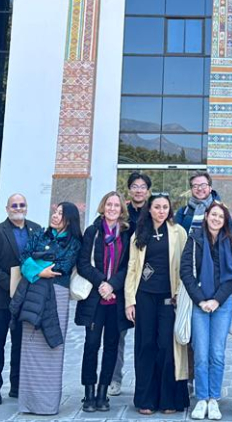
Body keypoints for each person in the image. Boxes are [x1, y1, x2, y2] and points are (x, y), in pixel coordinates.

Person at [14, 201, 83, 416]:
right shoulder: (39, 235)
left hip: (57, 294)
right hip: (34, 291)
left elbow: (61, 265)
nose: (55, 215)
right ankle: (28, 403)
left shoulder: (73, 243)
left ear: (69, 219)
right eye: (55, 211)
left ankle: (47, 404)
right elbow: (24, 256)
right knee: (30, 346)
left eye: (61, 213)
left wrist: (37, 264)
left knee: (52, 345)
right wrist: (39, 271)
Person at [125, 192, 190, 415]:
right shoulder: (139, 234)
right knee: (146, 346)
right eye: (157, 207)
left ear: (169, 210)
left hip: (169, 298)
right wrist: (129, 301)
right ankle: (146, 399)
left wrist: (180, 294)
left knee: (166, 346)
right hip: (144, 297)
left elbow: (185, 266)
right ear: (149, 209)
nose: (161, 211)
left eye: (165, 207)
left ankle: (169, 398)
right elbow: (133, 268)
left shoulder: (178, 232)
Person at [0, 193, 41, 405]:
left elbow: (41, 260)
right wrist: (12, 285)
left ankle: (17, 386)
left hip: (25, 300)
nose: (18, 208)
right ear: (7, 209)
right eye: (14, 205)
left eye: (22, 204)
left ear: (26, 207)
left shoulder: (36, 230)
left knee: (20, 344)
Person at [181, 202, 232, 420]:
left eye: (220, 216)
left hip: (221, 305)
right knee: (200, 354)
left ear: (225, 221)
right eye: (213, 215)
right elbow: (185, 271)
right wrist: (201, 300)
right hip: (200, 303)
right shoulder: (194, 239)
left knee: (217, 353)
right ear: (206, 216)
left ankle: (213, 399)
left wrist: (216, 300)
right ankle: (201, 399)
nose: (216, 219)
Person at [75, 192, 131, 414]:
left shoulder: (127, 233)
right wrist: (102, 284)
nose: (112, 208)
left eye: (116, 205)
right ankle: (88, 393)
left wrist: (113, 285)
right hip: (95, 299)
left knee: (111, 347)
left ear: (121, 210)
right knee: (91, 345)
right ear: (103, 206)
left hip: (116, 300)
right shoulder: (93, 231)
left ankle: (102, 392)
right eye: (109, 204)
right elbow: (83, 263)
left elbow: (129, 265)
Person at [111, 171, 152, 396]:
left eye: (142, 186)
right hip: (121, 278)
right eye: (134, 186)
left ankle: (146, 381)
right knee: (118, 333)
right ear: (129, 190)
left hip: (145, 281)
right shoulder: (121, 214)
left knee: (147, 336)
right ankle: (115, 379)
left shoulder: (153, 212)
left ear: (147, 191)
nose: (138, 190)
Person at [176, 172, 225, 236]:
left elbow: (228, 237)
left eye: (203, 185)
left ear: (210, 188)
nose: (199, 188)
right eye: (195, 186)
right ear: (191, 189)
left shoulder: (222, 211)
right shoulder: (183, 212)